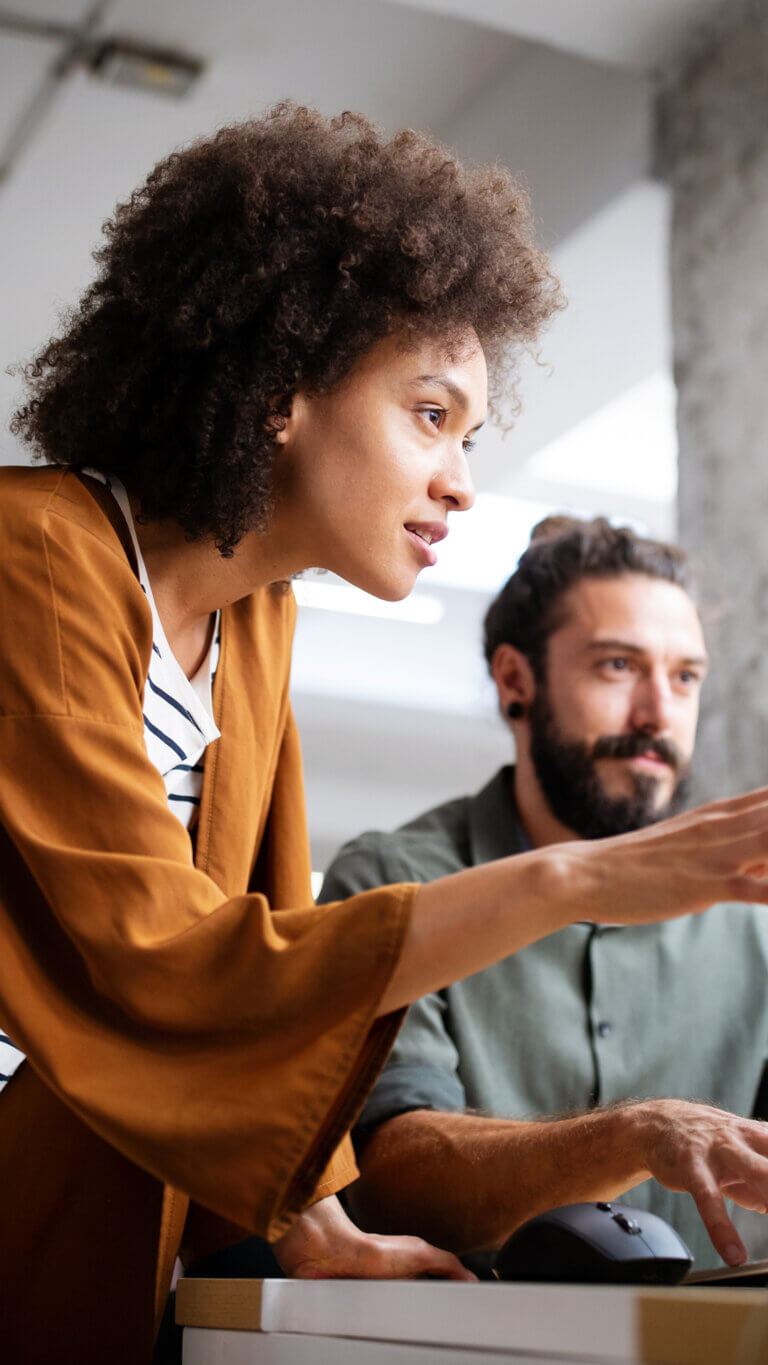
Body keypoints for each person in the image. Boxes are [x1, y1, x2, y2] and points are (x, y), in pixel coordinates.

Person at [2, 105, 768, 1364]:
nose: (463, 478)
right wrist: (577, 877)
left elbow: (265, 984)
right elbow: (173, 967)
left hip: (94, 1221)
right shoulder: (30, 557)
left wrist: (321, 1229)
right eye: (429, 414)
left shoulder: (254, 629)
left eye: (470, 436)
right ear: (278, 386)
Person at [320, 515, 768, 1275]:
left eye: (685, 676)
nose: (660, 712)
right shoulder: (395, 883)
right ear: (514, 680)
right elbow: (391, 1182)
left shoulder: (754, 921)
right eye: (618, 666)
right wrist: (637, 1134)